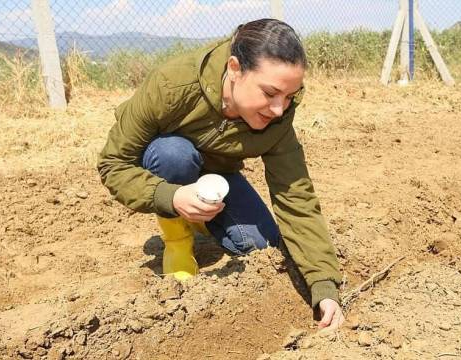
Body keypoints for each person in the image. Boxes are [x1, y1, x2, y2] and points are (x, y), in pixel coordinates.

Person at [97, 19, 344, 330]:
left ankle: (201, 217)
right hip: (169, 163)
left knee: (262, 249)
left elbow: (297, 197)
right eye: (270, 93)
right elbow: (113, 163)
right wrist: (170, 195)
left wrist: (324, 286)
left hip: (219, 178)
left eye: (289, 96)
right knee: (174, 154)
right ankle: (178, 239)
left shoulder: (280, 117)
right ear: (235, 68)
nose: (279, 108)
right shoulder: (172, 86)